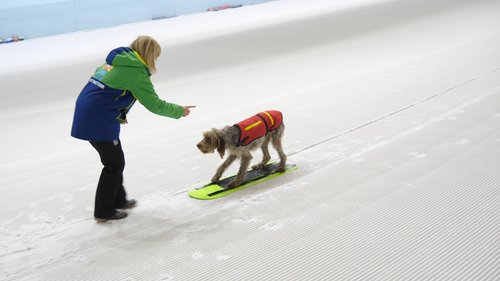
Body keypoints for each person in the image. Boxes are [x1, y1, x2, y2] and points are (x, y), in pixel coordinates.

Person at [71, 35, 195, 222]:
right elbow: (154, 105)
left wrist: (119, 114)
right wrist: (179, 111)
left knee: (114, 161)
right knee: (114, 164)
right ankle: (104, 212)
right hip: (98, 119)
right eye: (155, 56)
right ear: (149, 54)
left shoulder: (113, 63)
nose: (155, 61)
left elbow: (104, 91)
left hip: (89, 113)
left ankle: (119, 200)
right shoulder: (136, 71)